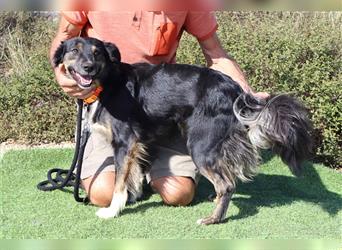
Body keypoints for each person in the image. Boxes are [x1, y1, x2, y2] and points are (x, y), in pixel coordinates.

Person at [50, 11, 269, 208]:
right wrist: (62, 75)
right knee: (101, 195)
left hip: (163, 114)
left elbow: (216, 53)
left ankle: (145, 169)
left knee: (178, 194)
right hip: (108, 108)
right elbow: (64, 40)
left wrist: (247, 98)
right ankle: (133, 172)